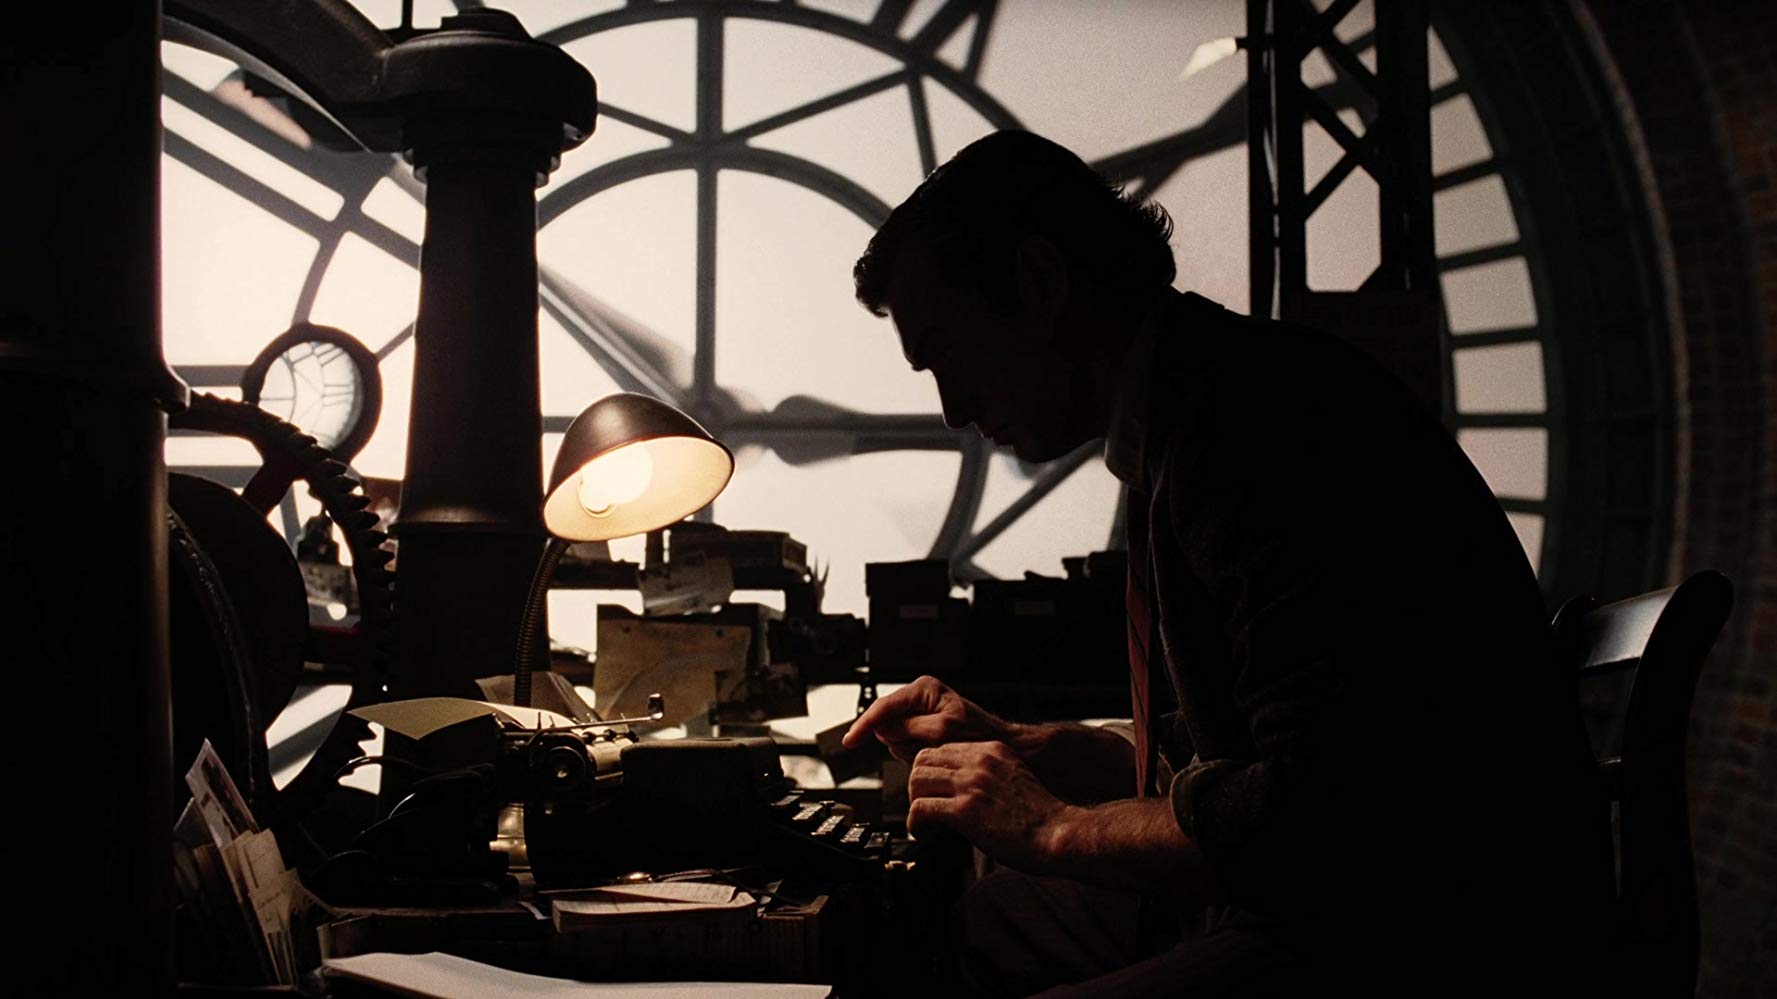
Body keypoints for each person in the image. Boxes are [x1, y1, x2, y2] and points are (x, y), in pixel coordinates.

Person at [841, 130, 1611, 996]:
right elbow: (1242, 746)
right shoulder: (1216, 399)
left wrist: (1052, 826)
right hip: (1390, 891)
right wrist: (1023, 745)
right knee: (988, 916)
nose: (950, 411)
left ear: (1039, 283)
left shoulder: (1251, 433)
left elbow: (1315, 817)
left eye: (946, 355)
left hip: (1430, 935)